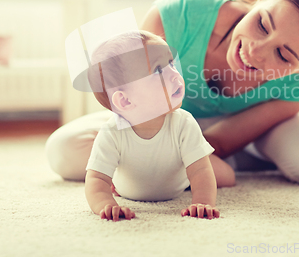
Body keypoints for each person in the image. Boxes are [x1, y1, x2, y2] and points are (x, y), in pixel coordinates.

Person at [46, 0, 299, 189]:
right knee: (66, 152)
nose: (255, 49)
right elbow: (137, 106)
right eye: (263, 24)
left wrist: (179, 163)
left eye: (283, 55)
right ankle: (247, 162)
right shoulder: (181, 12)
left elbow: (223, 141)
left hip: (253, 129)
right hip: (164, 119)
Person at [83, 30, 230, 221]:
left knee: (226, 177)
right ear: (125, 101)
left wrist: (203, 202)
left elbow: (200, 170)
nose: (175, 75)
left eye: (170, 63)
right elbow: (97, 179)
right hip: (126, 191)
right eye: (158, 71)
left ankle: (216, 165)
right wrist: (106, 205)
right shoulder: (111, 132)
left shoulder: (183, 122)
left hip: (178, 185)